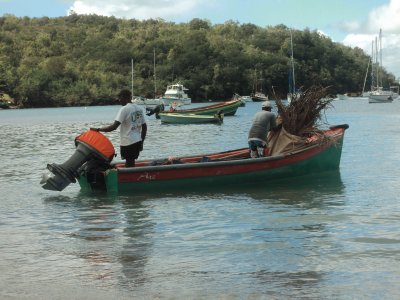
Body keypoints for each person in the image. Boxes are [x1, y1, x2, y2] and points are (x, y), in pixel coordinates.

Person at [90, 89, 147, 167]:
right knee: (131, 162)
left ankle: (128, 178)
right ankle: (131, 176)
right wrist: (142, 142)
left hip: (128, 141)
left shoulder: (124, 109)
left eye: (120, 98)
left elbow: (114, 127)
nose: (119, 101)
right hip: (137, 141)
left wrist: (98, 129)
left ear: (125, 97)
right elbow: (144, 126)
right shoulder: (139, 108)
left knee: (129, 164)